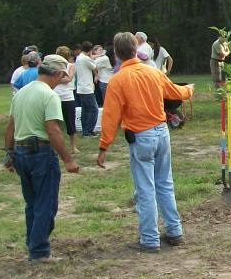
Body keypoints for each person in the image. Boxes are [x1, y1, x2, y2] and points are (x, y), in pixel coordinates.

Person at [98, 31, 196, 252]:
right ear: (137, 49)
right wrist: (189, 90)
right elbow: (176, 92)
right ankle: (174, 230)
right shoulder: (153, 73)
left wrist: (104, 146)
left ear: (116, 53)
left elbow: (110, 116)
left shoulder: (118, 80)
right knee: (164, 183)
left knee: (145, 189)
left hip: (141, 136)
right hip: (162, 133)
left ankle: (150, 239)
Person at [4, 53, 80, 261]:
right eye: (62, 76)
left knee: (32, 203)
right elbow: (53, 130)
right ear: (56, 74)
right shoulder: (49, 96)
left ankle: (33, 243)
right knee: (46, 203)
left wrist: (9, 154)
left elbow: (11, 127)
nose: (62, 81)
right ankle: (39, 251)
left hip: (21, 152)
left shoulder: (21, 94)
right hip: (41, 153)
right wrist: (68, 159)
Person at [53, 45, 79, 152]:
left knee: (70, 123)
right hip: (55, 96)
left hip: (67, 97)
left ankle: (73, 147)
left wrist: (57, 79)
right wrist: (62, 78)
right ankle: (59, 146)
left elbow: (68, 79)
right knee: (55, 123)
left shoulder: (71, 66)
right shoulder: (54, 66)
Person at [73, 42, 99, 137]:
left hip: (81, 87)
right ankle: (89, 130)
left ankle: (85, 130)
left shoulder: (78, 58)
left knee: (85, 110)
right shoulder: (86, 58)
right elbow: (95, 66)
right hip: (87, 87)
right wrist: (91, 56)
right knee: (94, 110)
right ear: (90, 50)